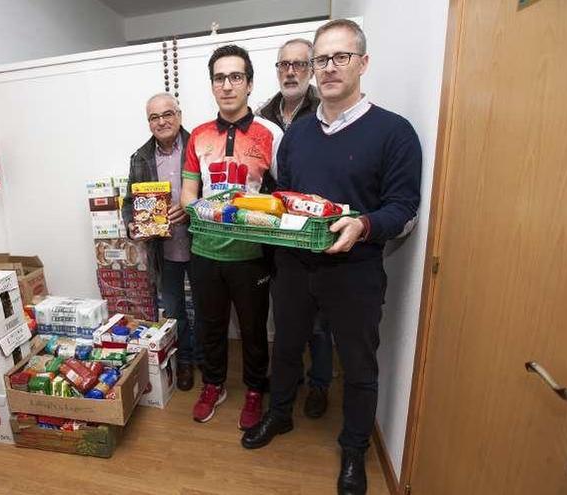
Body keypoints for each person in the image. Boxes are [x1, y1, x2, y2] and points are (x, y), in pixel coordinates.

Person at [241, 20, 422, 495]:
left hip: (355, 271)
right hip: (295, 269)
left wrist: (364, 225)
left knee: (359, 366)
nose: (330, 67)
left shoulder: (394, 132)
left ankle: (354, 451)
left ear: (363, 63)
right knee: (285, 348)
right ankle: (280, 415)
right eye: (322, 59)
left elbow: (404, 211)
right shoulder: (297, 136)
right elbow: (284, 196)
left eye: (342, 57)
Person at [180, 45, 283, 430]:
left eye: (235, 77)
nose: (227, 85)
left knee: (254, 327)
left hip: (250, 253)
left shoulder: (270, 134)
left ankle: (256, 389)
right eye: (219, 78)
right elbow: (189, 193)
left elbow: (285, 194)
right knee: (210, 325)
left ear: (250, 84)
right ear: (212, 86)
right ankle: (214, 384)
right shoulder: (199, 136)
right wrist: (200, 210)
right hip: (204, 251)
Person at [256, 37, 333, 419]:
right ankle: (288, 381)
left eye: (299, 64)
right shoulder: (262, 113)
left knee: (319, 322)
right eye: (284, 64)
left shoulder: (326, 109)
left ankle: (319, 383)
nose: (291, 71)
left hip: (315, 235)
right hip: (275, 234)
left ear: (313, 68)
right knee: (285, 316)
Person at [122, 93, 201, 391]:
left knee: (207, 307)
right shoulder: (140, 157)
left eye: (167, 114)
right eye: (154, 117)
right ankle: (186, 362)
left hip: (200, 245)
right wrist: (132, 223)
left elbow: (217, 195)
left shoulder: (199, 146)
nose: (162, 121)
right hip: (163, 250)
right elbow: (129, 203)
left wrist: (191, 207)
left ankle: (208, 360)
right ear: (149, 122)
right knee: (174, 311)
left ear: (179, 115)